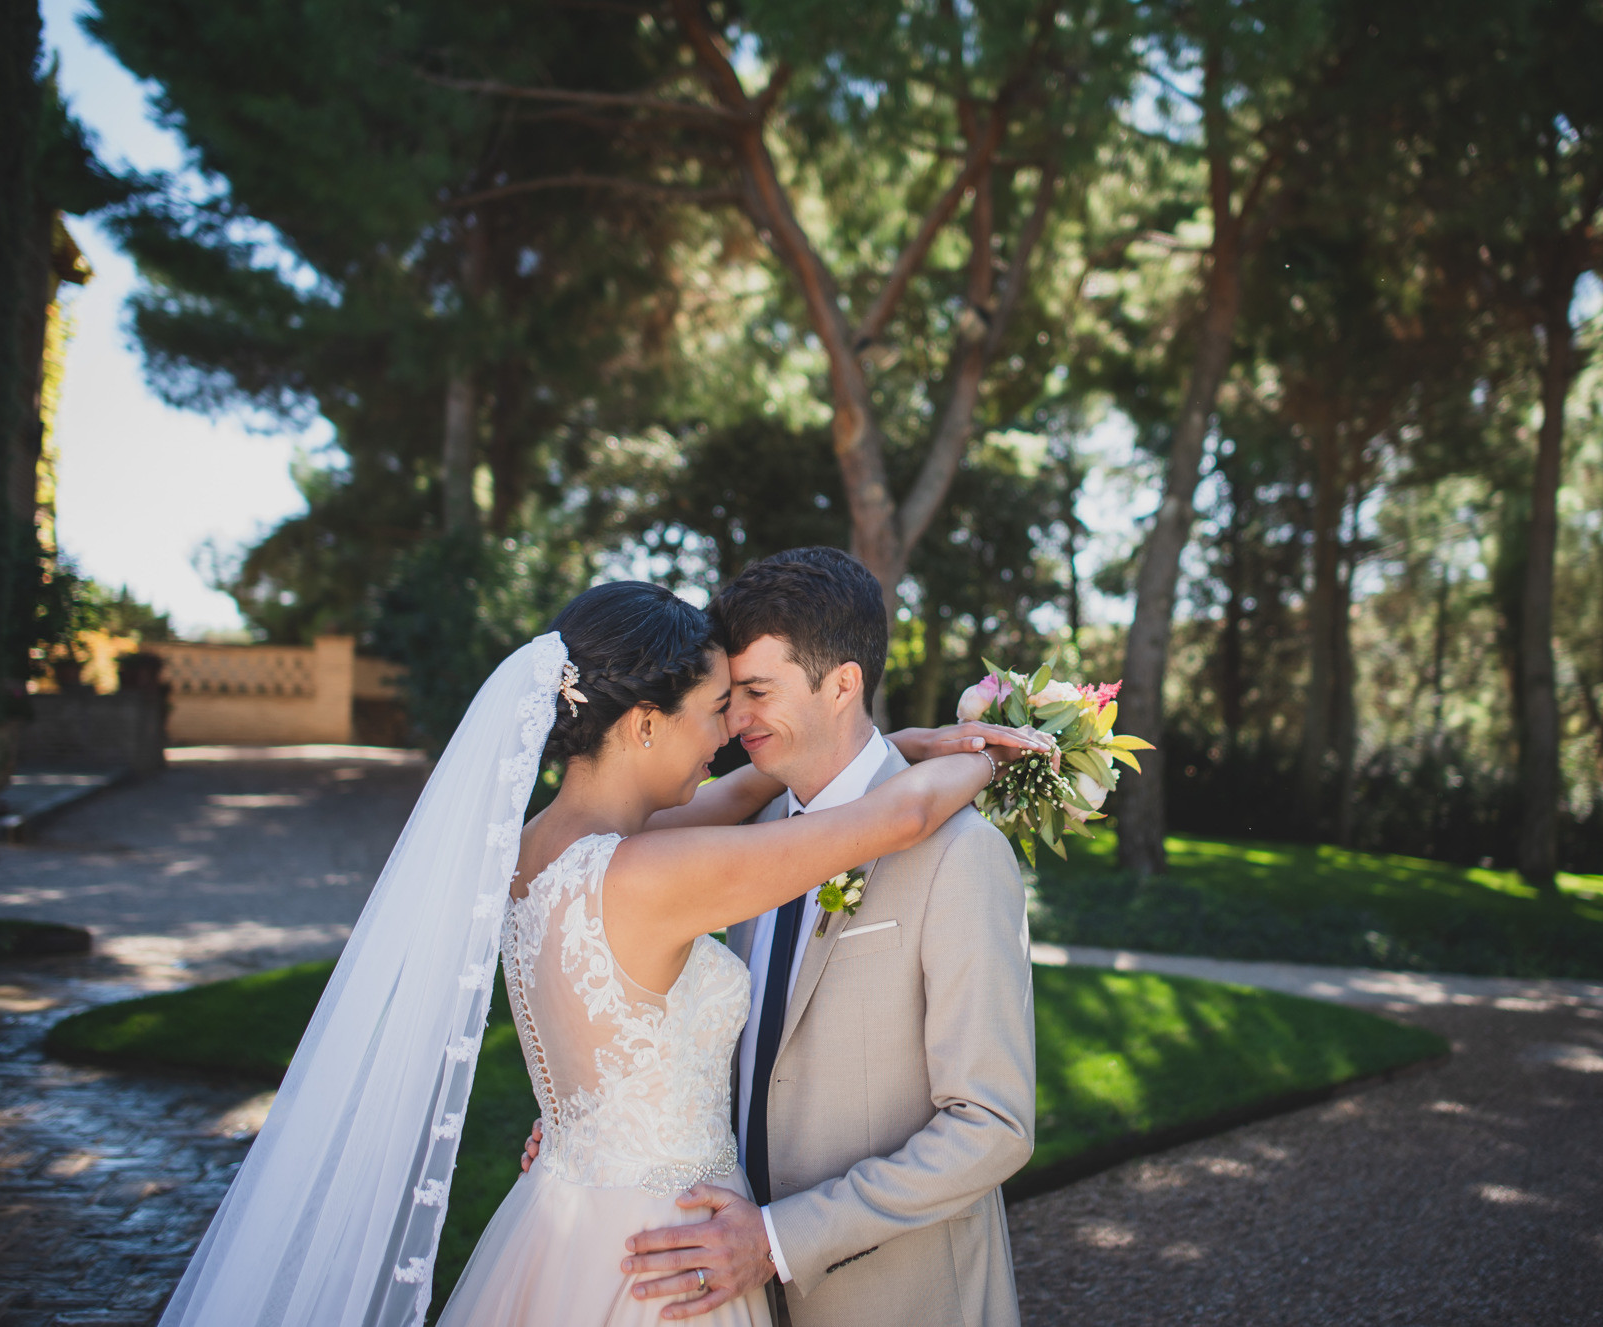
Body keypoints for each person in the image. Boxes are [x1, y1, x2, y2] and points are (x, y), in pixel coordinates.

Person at [156, 573, 1045, 1327]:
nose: (728, 727)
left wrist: (902, 745)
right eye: (713, 707)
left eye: (746, 698)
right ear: (645, 722)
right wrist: (995, 755)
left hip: (572, 1214)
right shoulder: (654, 872)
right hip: (663, 1255)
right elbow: (893, 816)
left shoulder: (529, 851)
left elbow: (740, 798)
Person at [524, 548, 1042, 1326]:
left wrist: (775, 1237)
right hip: (706, 1279)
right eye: (727, 697)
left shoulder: (962, 855)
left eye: (755, 692)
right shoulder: (743, 843)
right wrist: (597, 1117)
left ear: (842, 684)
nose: (733, 723)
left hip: (892, 1298)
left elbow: (993, 1125)